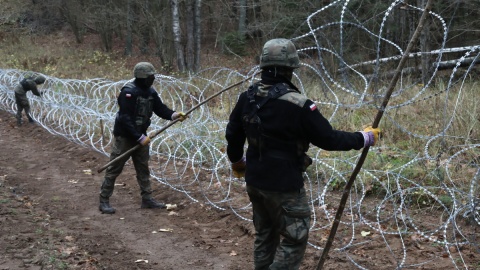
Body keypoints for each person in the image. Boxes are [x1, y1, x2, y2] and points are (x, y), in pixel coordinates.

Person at [225, 38, 380, 269]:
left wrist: (237, 161)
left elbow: (233, 134)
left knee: (265, 235)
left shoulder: (247, 97)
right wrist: (364, 138)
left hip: (255, 179)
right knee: (294, 239)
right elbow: (328, 139)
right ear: (290, 70)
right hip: (284, 184)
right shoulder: (299, 104)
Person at [99, 62, 187, 214]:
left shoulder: (150, 92)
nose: (152, 79)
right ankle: (104, 200)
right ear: (141, 77)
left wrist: (174, 115)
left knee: (143, 169)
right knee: (114, 169)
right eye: (150, 77)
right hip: (125, 137)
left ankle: (147, 199)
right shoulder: (128, 92)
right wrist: (139, 137)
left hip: (141, 136)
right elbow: (125, 119)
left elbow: (160, 109)